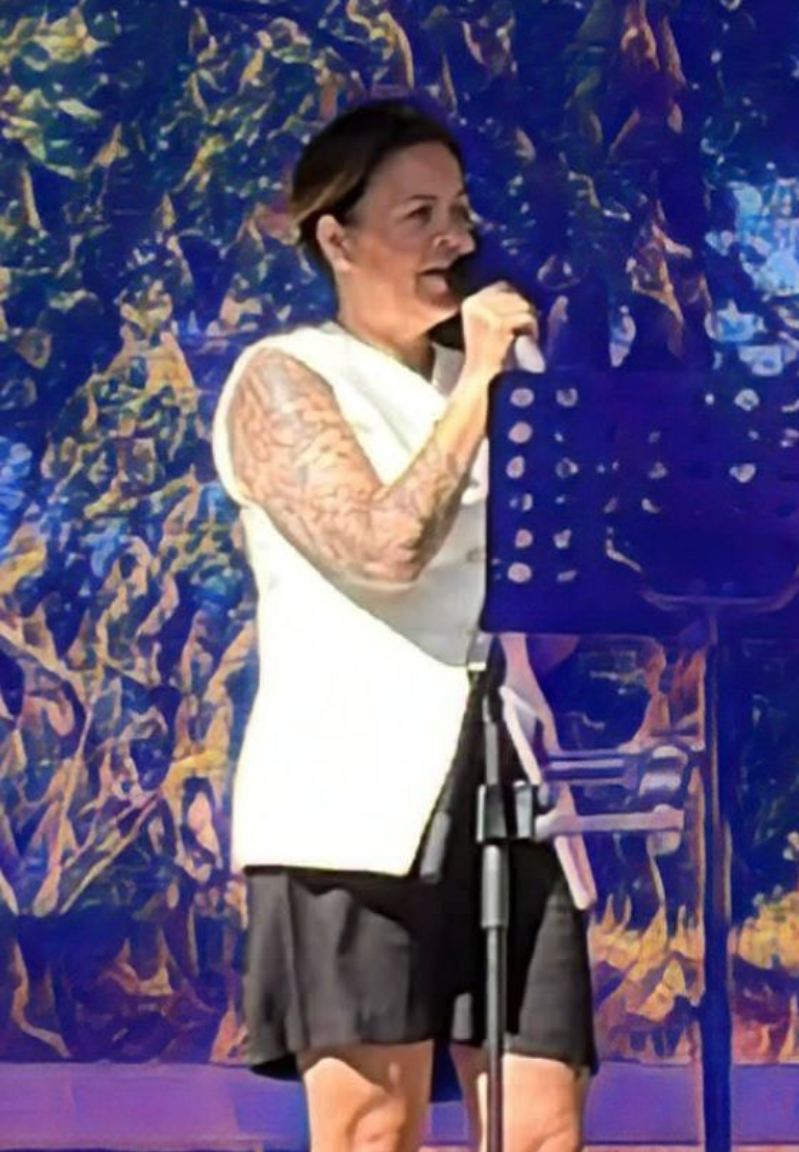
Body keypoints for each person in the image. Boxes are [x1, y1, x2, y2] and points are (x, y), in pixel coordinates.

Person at [210, 98, 595, 1152]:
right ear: (337, 240)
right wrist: (478, 391)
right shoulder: (287, 376)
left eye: (459, 212)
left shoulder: (502, 384)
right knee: (374, 1126)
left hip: (508, 773)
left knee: (543, 1125)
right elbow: (382, 549)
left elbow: (549, 610)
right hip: (354, 794)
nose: (453, 240)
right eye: (418, 215)